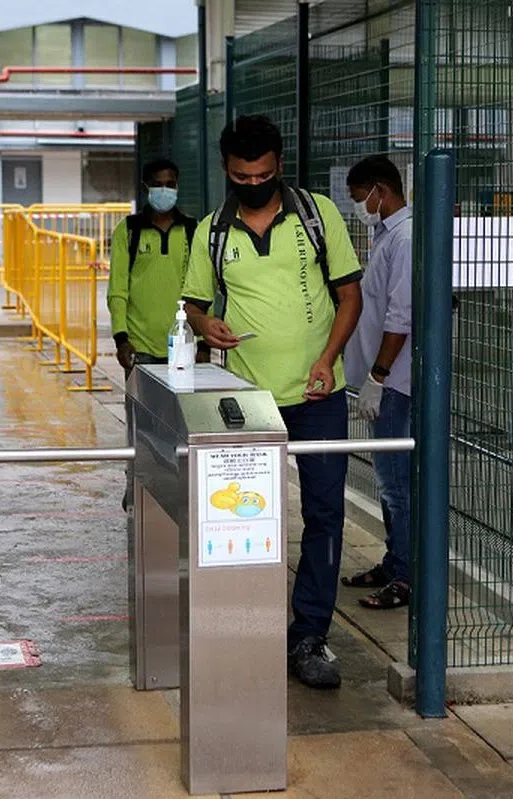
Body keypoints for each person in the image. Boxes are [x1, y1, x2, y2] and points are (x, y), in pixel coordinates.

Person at [181, 115, 363, 689]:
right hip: (245, 401)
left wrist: (326, 359)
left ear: (279, 165)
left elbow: (349, 295)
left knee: (325, 514)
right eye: (241, 175)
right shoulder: (212, 230)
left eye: (262, 174)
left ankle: (309, 634)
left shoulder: (316, 214)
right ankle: (241, 627)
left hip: (319, 395)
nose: (253, 183)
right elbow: (193, 303)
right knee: (244, 514)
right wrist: (206, 322)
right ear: (227, 172)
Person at [340, 155, 413, 611]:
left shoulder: (404, 239)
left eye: (359, 200)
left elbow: (400, 315)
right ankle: (394, 562)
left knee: (396, 483)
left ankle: (404, 576)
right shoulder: (386, 235)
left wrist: (377, 376)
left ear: (379, 192)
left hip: (397, 382)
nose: (358, 208)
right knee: (390, 482)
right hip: (385, 379)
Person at [109, 158, 201, 511]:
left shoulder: (191, 231)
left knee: (181, 425)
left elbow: (199, 290)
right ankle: (137, 487)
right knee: (140, 427)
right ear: (147, 187)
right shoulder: (129, 232)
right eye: (159, 183)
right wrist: (121, 337)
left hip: (183, 348)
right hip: (140, 348)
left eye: (172, 183)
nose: (166, 190)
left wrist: (201, 342)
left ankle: (179, 493)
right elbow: (118, 288)